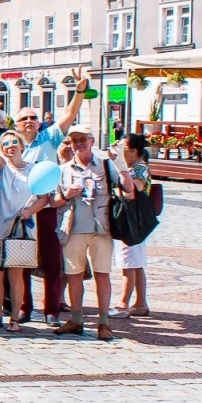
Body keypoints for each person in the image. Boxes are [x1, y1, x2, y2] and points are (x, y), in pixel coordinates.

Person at [18, 69, 90, 326]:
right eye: (24, 118)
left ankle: (51, 311)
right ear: (16, 125)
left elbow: (69, 115)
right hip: (23, 209)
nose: (29, 121)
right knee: (22, 259)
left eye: (33, 117)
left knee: (51, 261)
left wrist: (79, 91)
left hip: (48, 204)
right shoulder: (13, 143)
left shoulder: (47, 137)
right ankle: (24, 306)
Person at [51, 123, 131, 340]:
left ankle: (103, 323)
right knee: (74, 276)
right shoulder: (63, 170)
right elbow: (53, 202)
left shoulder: (105, 166)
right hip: (73, 230)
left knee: (102, 276)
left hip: (101, 230)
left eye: (82, 139)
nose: (78, 144)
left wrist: (121, 163)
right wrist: (67, 195)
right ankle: (76, 320)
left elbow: (129, 188)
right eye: (74, 140)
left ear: (91, 141)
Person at [0, 109, 48, 333]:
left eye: (14, 142)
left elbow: (44, 198)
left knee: (16, 275)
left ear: (21, 145)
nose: (10, 146)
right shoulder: (3, 168)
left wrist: (29, 212)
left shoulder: (34, 170)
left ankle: (15, 318)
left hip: (21, 228)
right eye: (6, 143)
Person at [110, 133, 152, 319]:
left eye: (124, 150)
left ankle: (123, 304)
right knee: (135, 263)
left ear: (135, 151)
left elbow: (133, 189)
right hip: (134, 220)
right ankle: (140, 303)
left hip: (131, 219)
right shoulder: (134, 167)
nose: (121, 153)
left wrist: (119, 167)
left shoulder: (139, 169)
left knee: (128, 263)